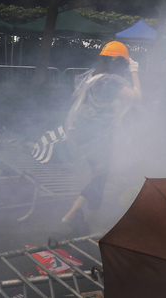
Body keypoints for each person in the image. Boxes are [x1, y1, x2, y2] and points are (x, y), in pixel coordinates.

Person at [61, 41, 142, 235]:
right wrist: (135, 72)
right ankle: (79, 218)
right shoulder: (113, 79)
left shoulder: (92, 75)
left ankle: (81, 215)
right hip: (98, 133)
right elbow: (137, 97)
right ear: (119, 63)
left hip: (81, 131)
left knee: (100, 174)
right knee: (101, 175)